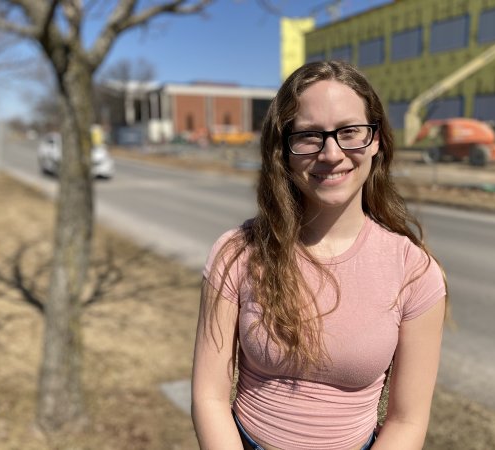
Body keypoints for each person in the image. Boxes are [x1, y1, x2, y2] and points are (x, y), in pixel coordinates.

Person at [191, 60, 447, 450]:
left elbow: (406, 420)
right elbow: (209, 396)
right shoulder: (238, 252)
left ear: (375, 139)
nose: (331, 153)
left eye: (350, 131)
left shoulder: (415, 272)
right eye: (310, 135)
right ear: (284, 148)